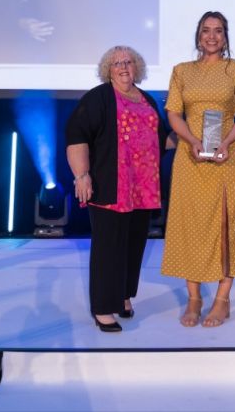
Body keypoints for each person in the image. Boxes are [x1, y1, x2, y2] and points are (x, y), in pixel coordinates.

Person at [161, 11, 235, 328]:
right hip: (190, 159)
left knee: (225, 226)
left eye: (218, 31)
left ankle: (222, 299)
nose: (212, 36)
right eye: (206, 31)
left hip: (226, 158)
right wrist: (190, 140)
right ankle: (194, 298)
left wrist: (226, 141)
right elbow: (174, 113)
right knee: (190, 226)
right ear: (198, 36)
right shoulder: (182, 71)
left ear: (226, 36)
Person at [66, 45, 170, 332]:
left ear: (137, 67)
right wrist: (82, 175)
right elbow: (76, 136)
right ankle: (102, 307)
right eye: (116, 64)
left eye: (128, 62)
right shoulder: (98, 98)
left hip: (143, 188)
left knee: (134, 246)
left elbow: (162, 140)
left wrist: (197, 141)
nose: (123, 67)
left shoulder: (146, 99)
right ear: (107, 70)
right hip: (110, 186)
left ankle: (123, 296)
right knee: (108, 248)